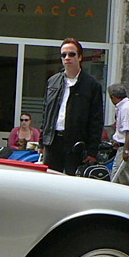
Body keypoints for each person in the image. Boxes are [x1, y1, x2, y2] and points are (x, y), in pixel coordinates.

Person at [40, 38, 104, 176]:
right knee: (49, 181)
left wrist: (92, 151)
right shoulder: (53, 81)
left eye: (71, 54)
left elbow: (96, 120)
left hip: (76, 144)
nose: (67, 58)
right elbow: (46, 113)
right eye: (64, 55)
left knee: (72, 184)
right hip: (53, 141)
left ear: (80, 57)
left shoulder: (92, 85)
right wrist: (42, 142)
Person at [108, 83, 129, 186]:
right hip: (124, 147)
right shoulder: (127, 107)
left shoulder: (126, 109)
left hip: (128, 148)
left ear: (113, 97)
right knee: (120, 179)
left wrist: (126, 150)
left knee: (123, 180)